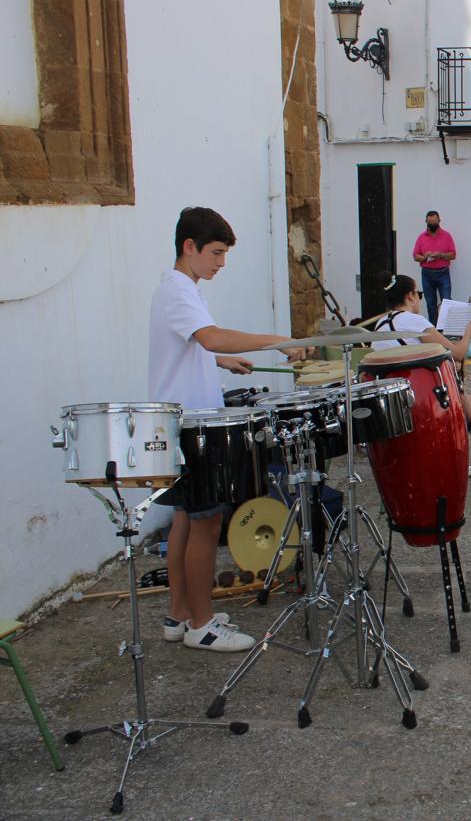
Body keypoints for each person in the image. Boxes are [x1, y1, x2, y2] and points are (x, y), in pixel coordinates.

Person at [149, 207, 311, 653]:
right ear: (190, 247)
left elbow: (195, 347)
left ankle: (179, 615)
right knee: (205, 523)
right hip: (194, 426)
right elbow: (212, 336)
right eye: (216, 253)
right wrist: (281, 341)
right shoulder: (179, 291)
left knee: (186, 519)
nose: (221, 263)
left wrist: (217, 362)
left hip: (183, 420)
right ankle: (202, 625)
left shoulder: (179, 290)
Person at [374, 274, 471, 447]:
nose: (419, 299)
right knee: (452, 367)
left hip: (389, 388)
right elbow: (458, 353)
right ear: (410, 296)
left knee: (452, 367)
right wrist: (469, 331)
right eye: (419, 294)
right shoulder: (414, 321)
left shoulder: (380, 324)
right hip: (415, 390)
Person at [413, 210, 456, 323]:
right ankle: (434, 330)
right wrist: (424, 257)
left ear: (439, 221)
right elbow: (415, 256)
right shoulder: (421, 237)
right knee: (431, 304)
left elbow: (453, 254)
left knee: (447, 303)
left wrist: (441, 255)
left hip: (443, 273)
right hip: (427, 274)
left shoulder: (446, 236)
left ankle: (447, 329)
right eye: (429, 223)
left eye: (434, 222)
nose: (432, 225)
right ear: (426, 222)